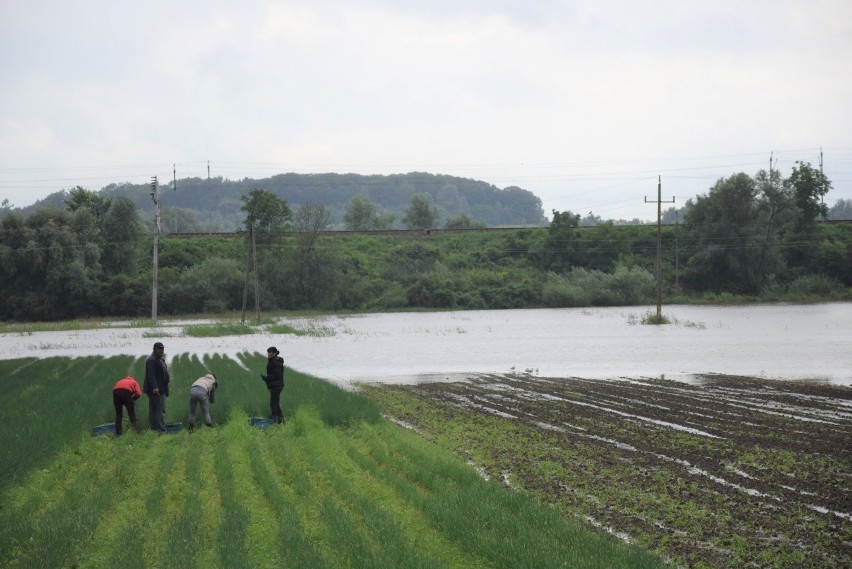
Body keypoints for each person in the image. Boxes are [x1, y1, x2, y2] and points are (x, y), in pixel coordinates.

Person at [143, 341, 170, 432]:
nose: (161, 351)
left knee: (155, 409)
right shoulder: (151, 360)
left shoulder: (158, 359)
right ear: (154, 349)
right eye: (159, 349)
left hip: (161, 389)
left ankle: (155, 428)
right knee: (159, 410)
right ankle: (161, 430)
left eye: (162, 349)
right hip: (156, 390)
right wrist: (155, 387)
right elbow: (151, 375)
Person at [262, 346, 285, 423]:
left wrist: (267, 377)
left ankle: (274, 419)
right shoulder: (272, 360)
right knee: (276, 403)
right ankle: (281, 420)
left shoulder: (276, 362)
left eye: (270, 352)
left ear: (274, 353)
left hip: (277, 386)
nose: (268, 354)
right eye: (268, 352)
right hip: (275, 385)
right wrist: (266, 378)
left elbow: (277, 375)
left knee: (273, 404)